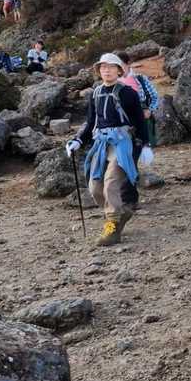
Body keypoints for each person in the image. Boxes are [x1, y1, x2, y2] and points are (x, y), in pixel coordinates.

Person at [66, 53, 150, 246]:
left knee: (111, 181)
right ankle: (121, 214)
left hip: (122, 143)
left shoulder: (128, 93)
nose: (107, 70)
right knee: (95, 187)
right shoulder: (95, 93)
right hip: (101, 143)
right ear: (99, 71)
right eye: (103, 67)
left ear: (119, 70)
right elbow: (91, 122)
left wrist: (145, 145)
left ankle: (112, 227)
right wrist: (78, 140)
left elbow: (140, 121)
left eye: (111, 67)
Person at [116, 52, 160, 146]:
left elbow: (154, 96)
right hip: (122, 125)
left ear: (128, 63)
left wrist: (150, 110)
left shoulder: (140, 79)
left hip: (142, 121)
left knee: (143, 148)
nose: (118, 68)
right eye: (116, 66)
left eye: (121, 65)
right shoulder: (114, 83)